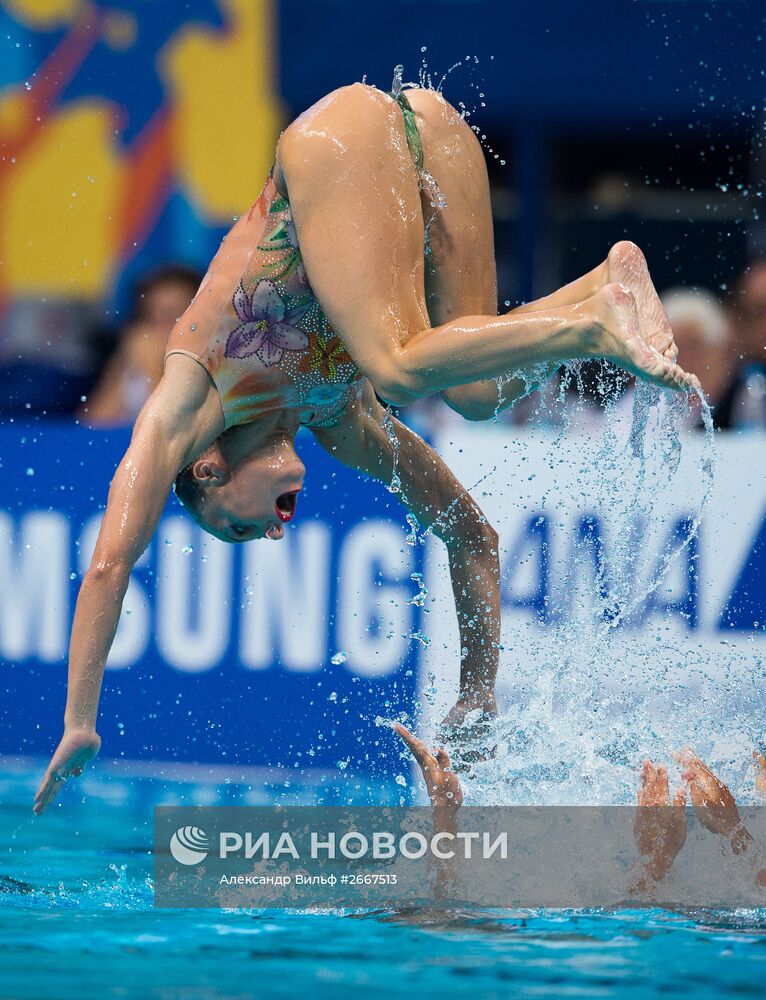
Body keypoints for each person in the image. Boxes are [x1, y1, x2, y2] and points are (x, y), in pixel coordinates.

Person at [34, 79, 698, 814]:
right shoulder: (340, 419)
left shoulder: (189, 401)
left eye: (238, 524)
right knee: (475, 393)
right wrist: (477, 692)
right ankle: (599, 285)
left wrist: (79, 721)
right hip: (426, 134)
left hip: (335, 137)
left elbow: (108, 563)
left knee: (399, 364)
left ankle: (595, 323)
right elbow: (470, 533)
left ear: (209, 468)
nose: (273, 529)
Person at [81, 265, 203, 426]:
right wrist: (125, 362)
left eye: (172, 314)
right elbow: (91, 427)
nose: (161, 326)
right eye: (153, 314)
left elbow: (174, 428)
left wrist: (153, 367)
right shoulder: (137, 356)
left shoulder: (211, 367)